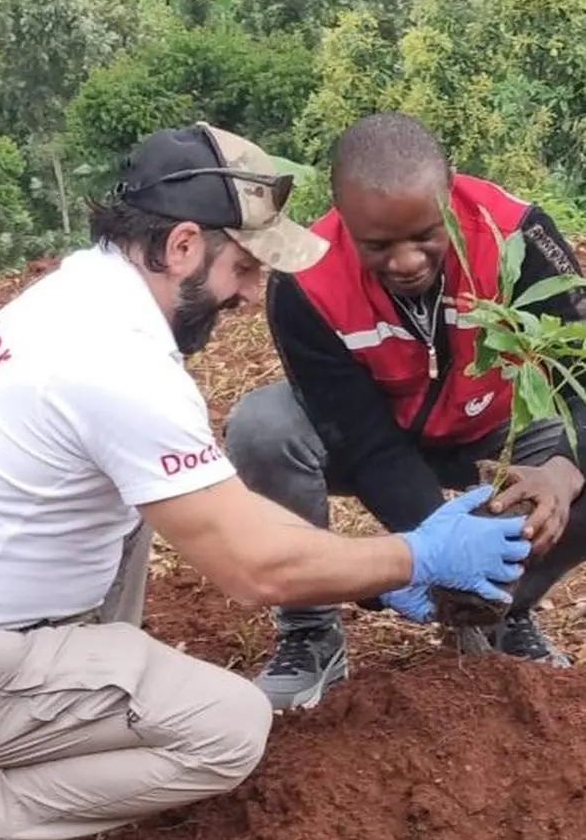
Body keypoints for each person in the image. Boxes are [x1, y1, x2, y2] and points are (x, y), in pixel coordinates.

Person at [0, 121, 530, 840]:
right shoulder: (117, 363)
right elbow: (254, 571)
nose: (252, 294)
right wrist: (414, 554)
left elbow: (216, 510)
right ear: (184, 245)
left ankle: (52, 705)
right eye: (245, 267)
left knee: (131, 510)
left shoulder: (79, 294)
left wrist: (371, 561)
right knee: (225, 729)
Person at [226, 111, 586, 712]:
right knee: (263, 429)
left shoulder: (516, 234)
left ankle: (506, 610)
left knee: (570, 453)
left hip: (500, 426)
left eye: (426, 233)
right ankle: (311, 631)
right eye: (378, 245)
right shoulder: (306, 281)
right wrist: (437, 552)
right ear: (341, 214)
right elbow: (364, 441)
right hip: (381, 431)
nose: (407, 260)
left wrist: (562, 465)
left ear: (450, 190)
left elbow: (581, 368)